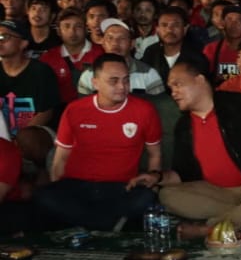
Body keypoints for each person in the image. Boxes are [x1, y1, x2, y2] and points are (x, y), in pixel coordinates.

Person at [156, 59, 241, 240]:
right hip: (214, 193)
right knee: (167, 195)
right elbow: (183, 174)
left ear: (199, 80)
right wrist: (155, 177)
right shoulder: (183, 125)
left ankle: (209, 229)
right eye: (170, 88)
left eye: (178, 84)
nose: (173, 93)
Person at [37, 54, 163, 231]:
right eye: (113, 81)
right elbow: (61, 157)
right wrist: (57, 185)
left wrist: (153, 179)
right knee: (45, 196)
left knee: (145, 198)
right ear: (95, 83)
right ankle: (107, 222)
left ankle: (83, 221)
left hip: (121, 186)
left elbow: (154, 153)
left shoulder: (145, 110)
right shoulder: (75, 110)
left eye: (126, 80)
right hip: (77, 184)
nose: (122, 86)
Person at [0, 19, 64, 135]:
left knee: (28, 140)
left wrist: (19, 138)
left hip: (37, 134)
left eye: (4, 37)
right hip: (3, 133)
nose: (0, 41)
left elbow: (45, 113)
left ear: (23, 43)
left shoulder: (41, 71)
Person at [39, 9, 102, 102]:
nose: (72, 31)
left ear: (86, 29)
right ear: (58, 31)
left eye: (78, 26)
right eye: (66, 26)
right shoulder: (47, 58)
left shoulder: (101, 53)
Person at [201, 5, 241, 83]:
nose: (233, 24)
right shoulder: (211, 49)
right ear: (223, 23)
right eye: (229, 20)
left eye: (239, 20)